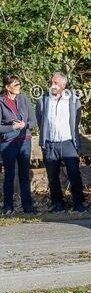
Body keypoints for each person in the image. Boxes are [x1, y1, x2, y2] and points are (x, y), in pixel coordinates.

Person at [37, 72, 86, 213]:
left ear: (64, 85)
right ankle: (57, 204)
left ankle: (79, 203)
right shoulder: (43, 100)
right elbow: (41, 121)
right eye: (52, 82)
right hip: (50, 143)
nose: (52, 85)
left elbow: (76, 119)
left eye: (56, 83)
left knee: (74, 174)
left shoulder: (73, 99)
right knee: (53, 177)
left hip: (68, 143)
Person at [0, 74, 37, 214]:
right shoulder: (1, 102)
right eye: (15, 84)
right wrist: (12, 127)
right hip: (8, 143)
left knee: (24, 175)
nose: (19, 87)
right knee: (9, 175)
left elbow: (34, 121)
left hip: (24, 142)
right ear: (7, 87)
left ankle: (27, 206)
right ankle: (8, 206)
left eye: (19, 84)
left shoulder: (24, 99)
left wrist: (24, 125)